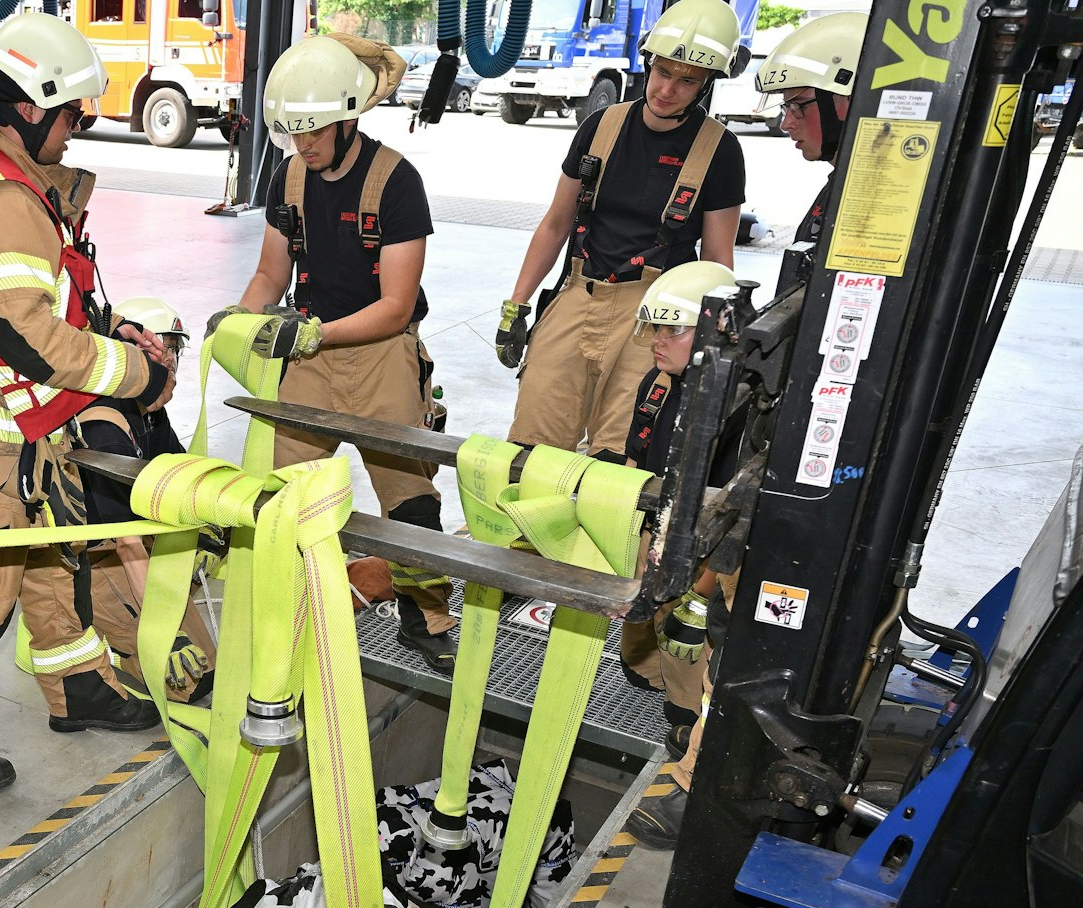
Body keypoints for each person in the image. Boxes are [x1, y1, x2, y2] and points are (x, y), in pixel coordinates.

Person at [0, 10, 174, 793]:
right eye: (73, 113)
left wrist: (110, 324)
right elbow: (25, 337)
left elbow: (41, 303)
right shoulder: (2, 199)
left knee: (55, 556)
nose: (78, 128)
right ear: (29, 107)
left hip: (15, 421)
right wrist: (136, 373)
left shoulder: (9, 176)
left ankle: (76, 684)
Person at [222, 32, 458, 670]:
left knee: (410, 500)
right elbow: (272, 274)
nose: (302, 146)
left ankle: (425, 617)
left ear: (349, 116)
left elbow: (396, 306)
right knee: (283, 494)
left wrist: (317, 332)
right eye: (292, 133)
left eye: (314, 132)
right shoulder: (290, 174)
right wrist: (241, 321)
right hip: (309, 359)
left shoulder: (396, 182)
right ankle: (288, 609)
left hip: (380, 352)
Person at [495, 0, 747, 459]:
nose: (667, 89)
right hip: (578, 293)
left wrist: (702, 340)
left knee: (618, 464)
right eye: (663, 71)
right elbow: (555, 224)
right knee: (530, 450)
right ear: (648, 63)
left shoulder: (720, 151)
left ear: (706, 84)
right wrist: (517, 304)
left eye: (687, 79)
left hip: (653, 321)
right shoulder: (601, 126)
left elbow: (716, 265)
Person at [614, 260, 742, 851]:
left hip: (720, 548)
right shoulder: (659, 384)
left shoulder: (740, 409)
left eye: (675, 331)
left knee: (703, 644)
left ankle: (697, 750)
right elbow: (641, 466)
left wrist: (701, 595)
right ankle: (674, 700)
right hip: (668, 529)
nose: (659, 343)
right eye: (654, 331)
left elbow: (738, 518)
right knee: (645, 646)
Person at [71, 296, 215, 704]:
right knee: (187, 680)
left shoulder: (148, 409)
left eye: (174, 349)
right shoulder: (105, 427)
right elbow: (125, 541)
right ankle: (112, 648)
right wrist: (166, 633)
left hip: (137, 545)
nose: (169, 361)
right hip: (99, 559)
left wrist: (209, 528)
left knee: (210, 669)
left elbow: (182, 473)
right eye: (160, 349)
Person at [756, 12, 866, 270]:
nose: (786, 124)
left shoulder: (871, 202)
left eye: (797, 106)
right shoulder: (841, 185)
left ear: (847, 100)